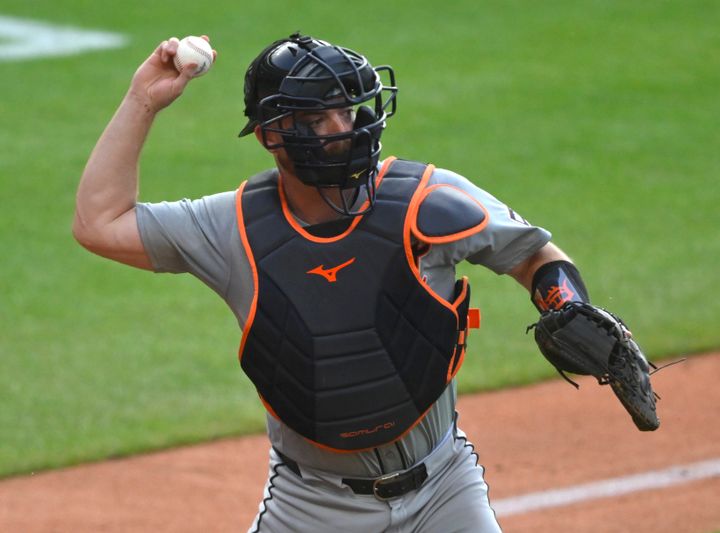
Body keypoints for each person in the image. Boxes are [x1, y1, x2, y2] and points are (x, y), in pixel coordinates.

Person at [73, 33, 655, 532]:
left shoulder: (424, 199)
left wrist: (565, 302)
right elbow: (99, 223)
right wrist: (141, 101)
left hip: (444, 488)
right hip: (312, 505)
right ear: (271, 135)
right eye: (317, 117)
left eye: (347, 107)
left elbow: (533, 255)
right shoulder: (232, 228)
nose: (341, 127)